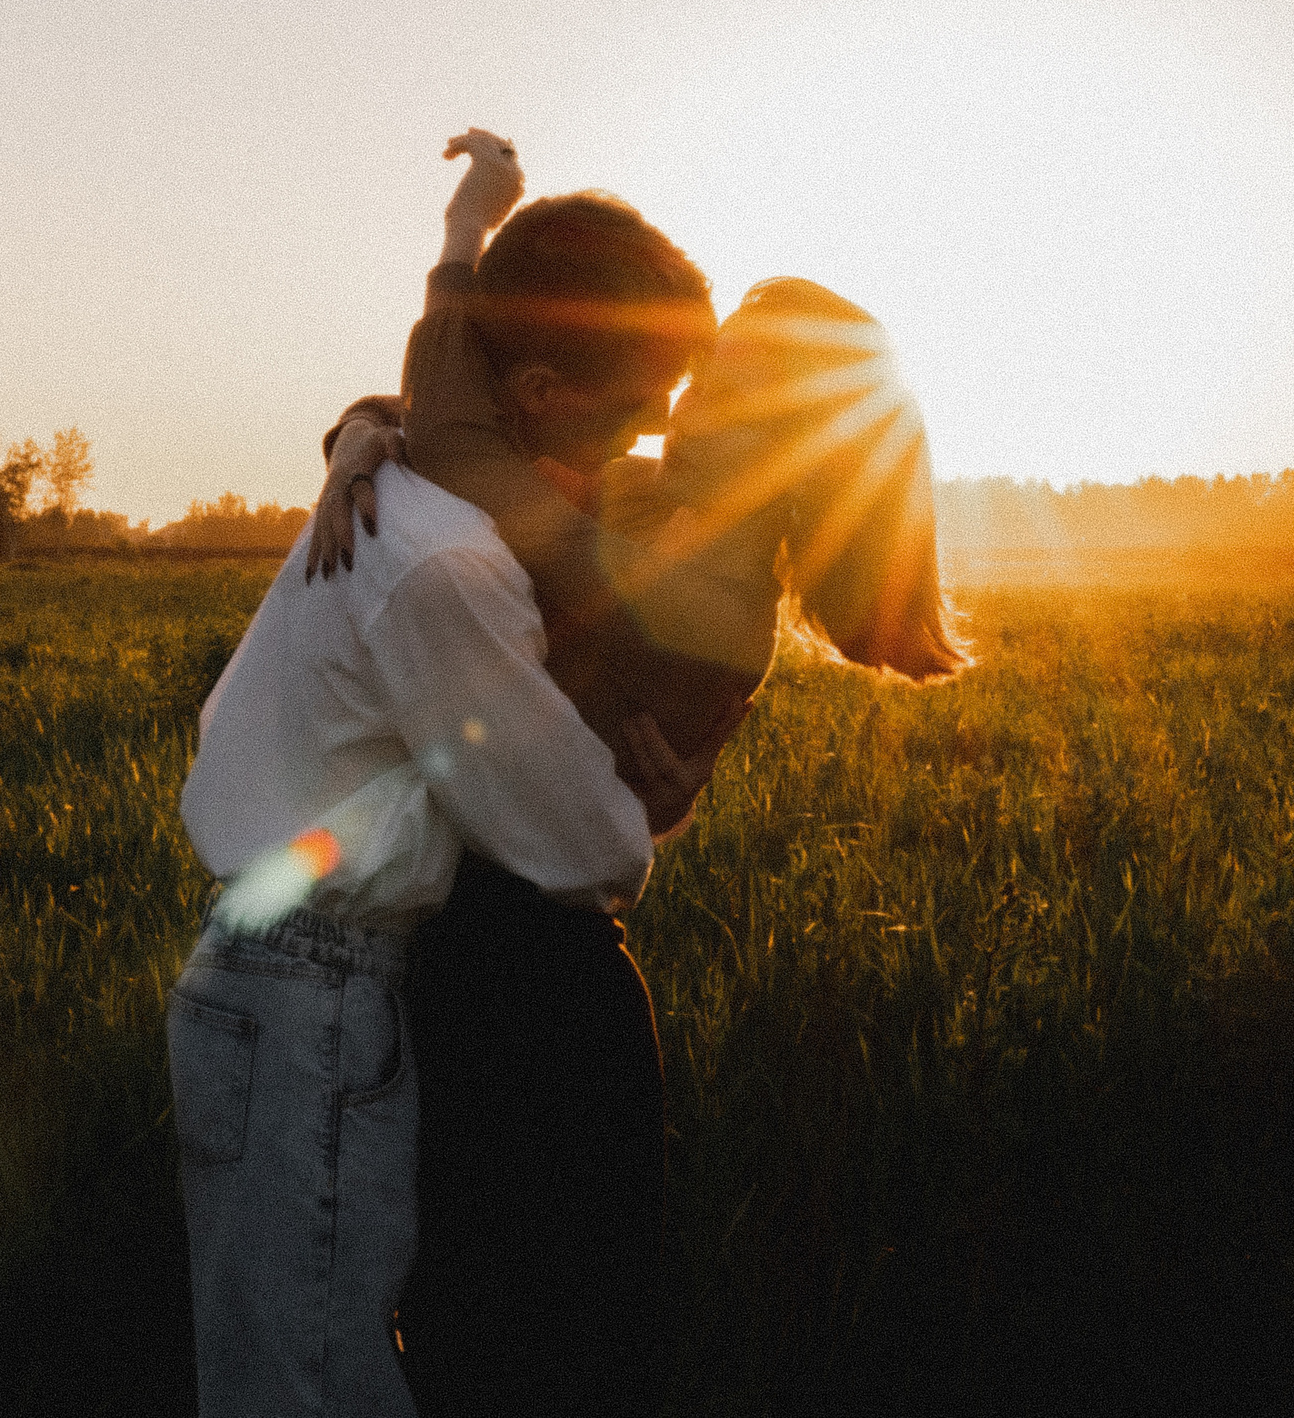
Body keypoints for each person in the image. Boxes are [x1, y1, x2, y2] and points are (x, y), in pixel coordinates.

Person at [312, 129, 966, 1418]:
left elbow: (464, 441)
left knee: (525, 1359)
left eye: (716, 383)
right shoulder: (661, 507)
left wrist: (462, 247)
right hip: (490, 976)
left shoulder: (705, 590)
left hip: (535, 1003)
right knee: (491, 1346)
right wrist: (358, 427)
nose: (675, 396)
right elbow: (472, 425)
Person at [164, 138, 723, 1418]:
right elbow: (581, 846)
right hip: (312, 995)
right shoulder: (445, 566)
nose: (647, 437)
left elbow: (442, 367)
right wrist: (645, 778)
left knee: (291, 1363)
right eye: (635, 404)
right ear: (534, 388)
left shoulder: (408, 485)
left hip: (283, 980)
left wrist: (464, 240)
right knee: (310, 1384)